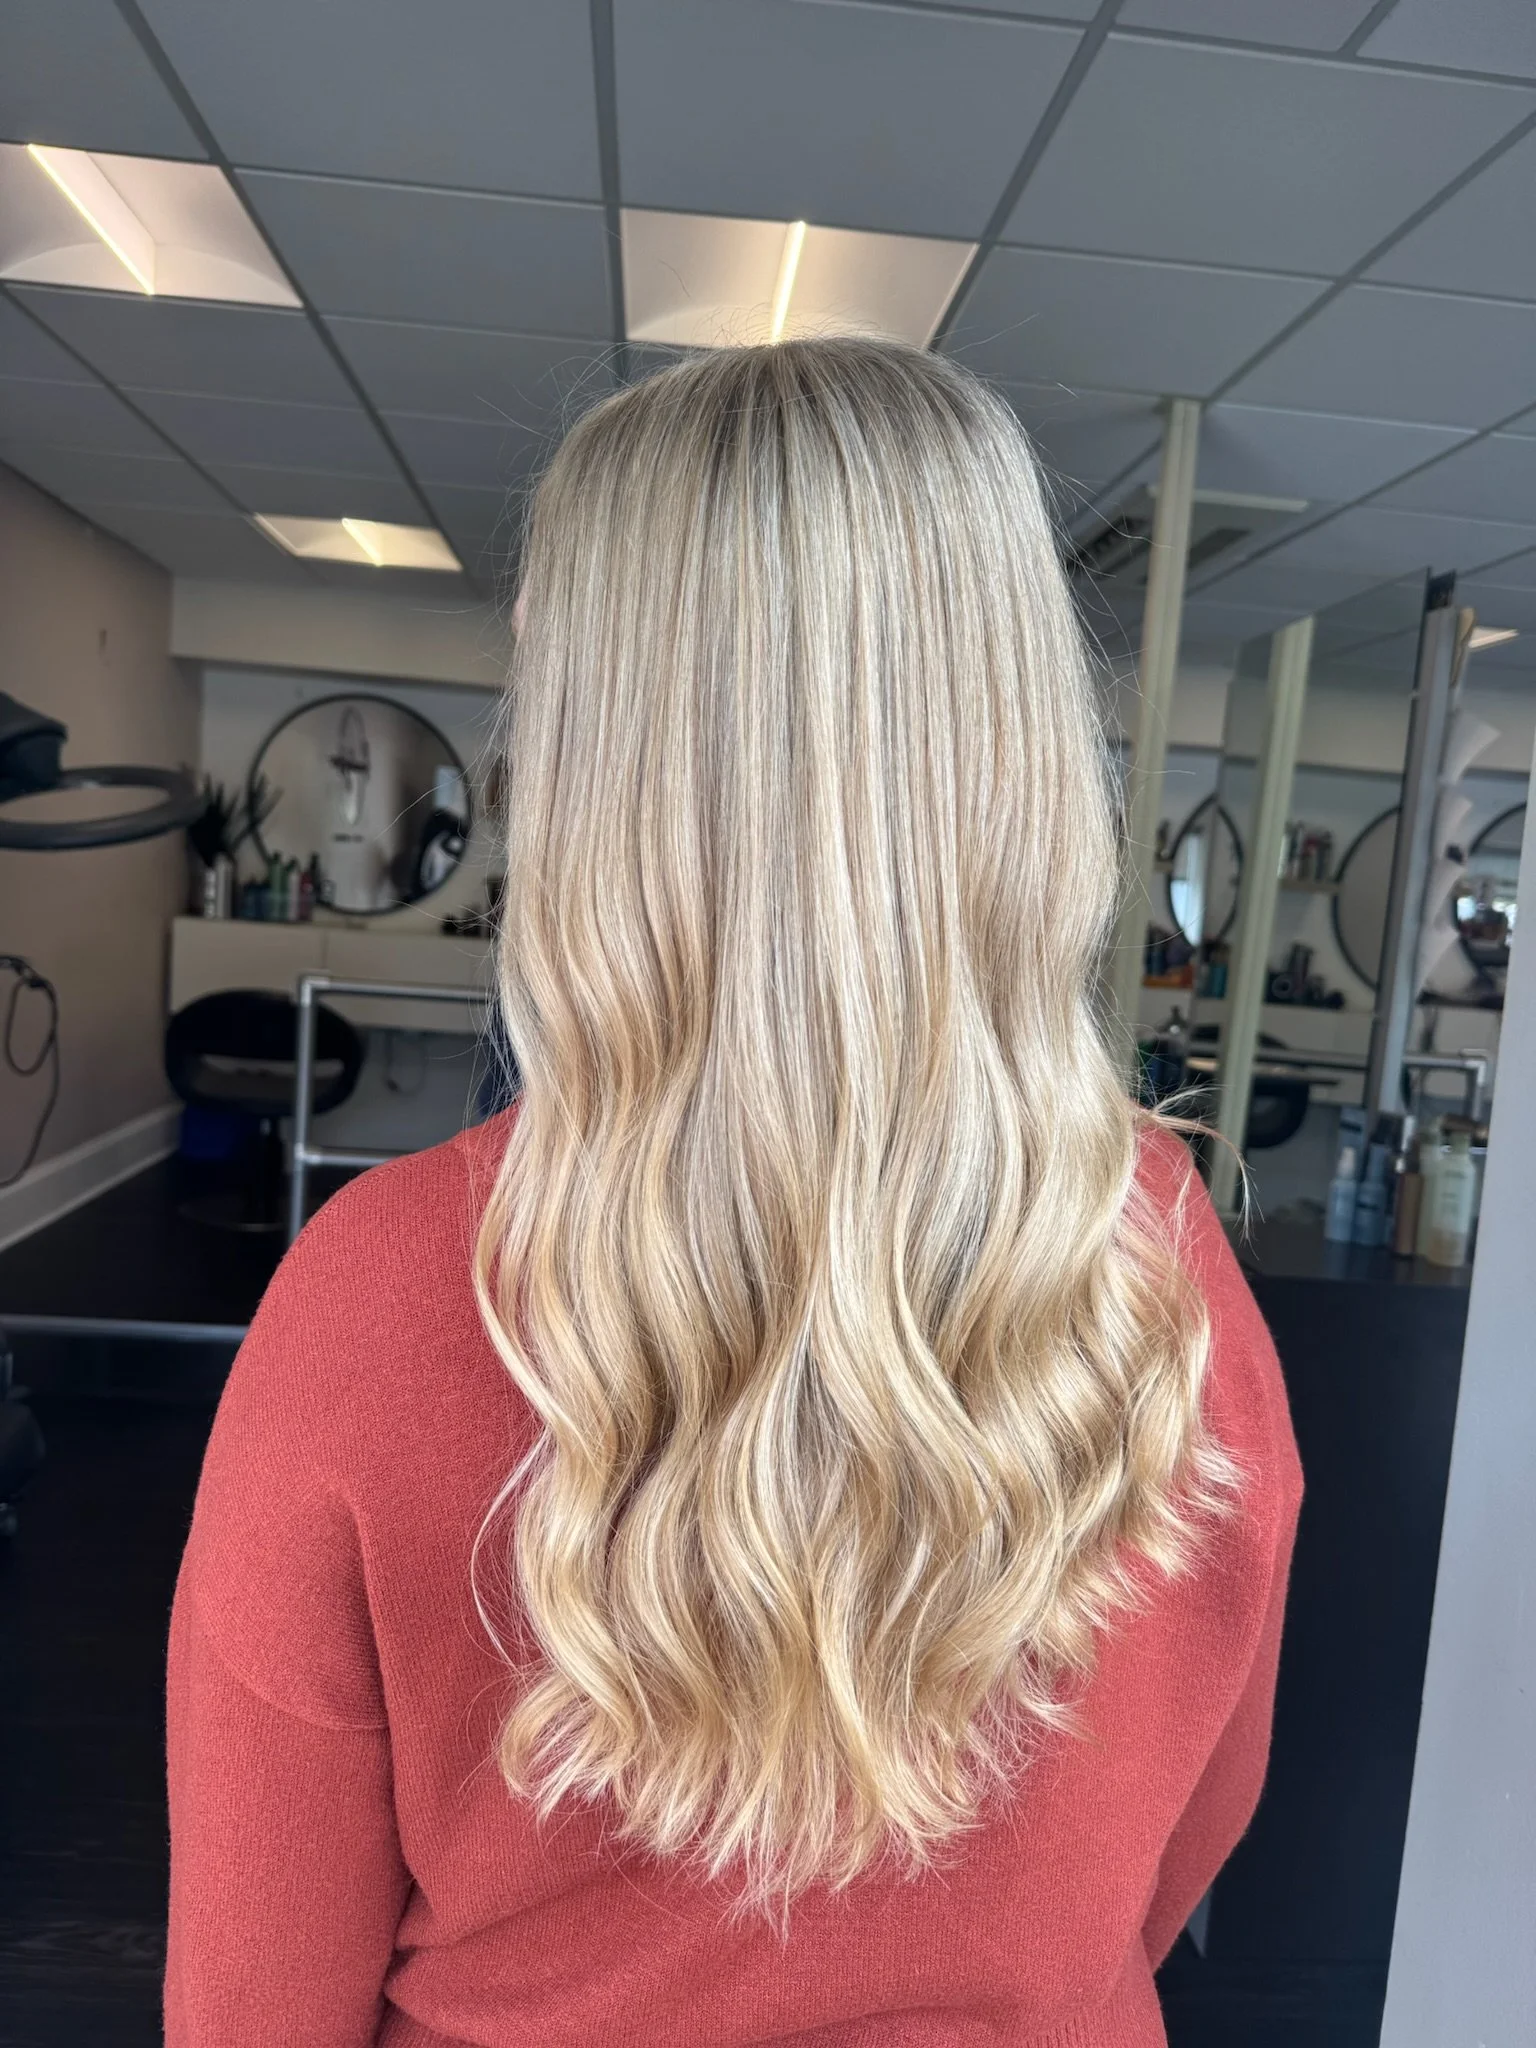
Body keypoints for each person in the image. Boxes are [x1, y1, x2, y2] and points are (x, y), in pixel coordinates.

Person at [165, 339, 1301, 2048]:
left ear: (593, 768)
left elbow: (258, 2000)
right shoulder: (1162, 1260)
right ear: (1008, 753)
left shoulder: (379, 1295)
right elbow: (1180, 1844)